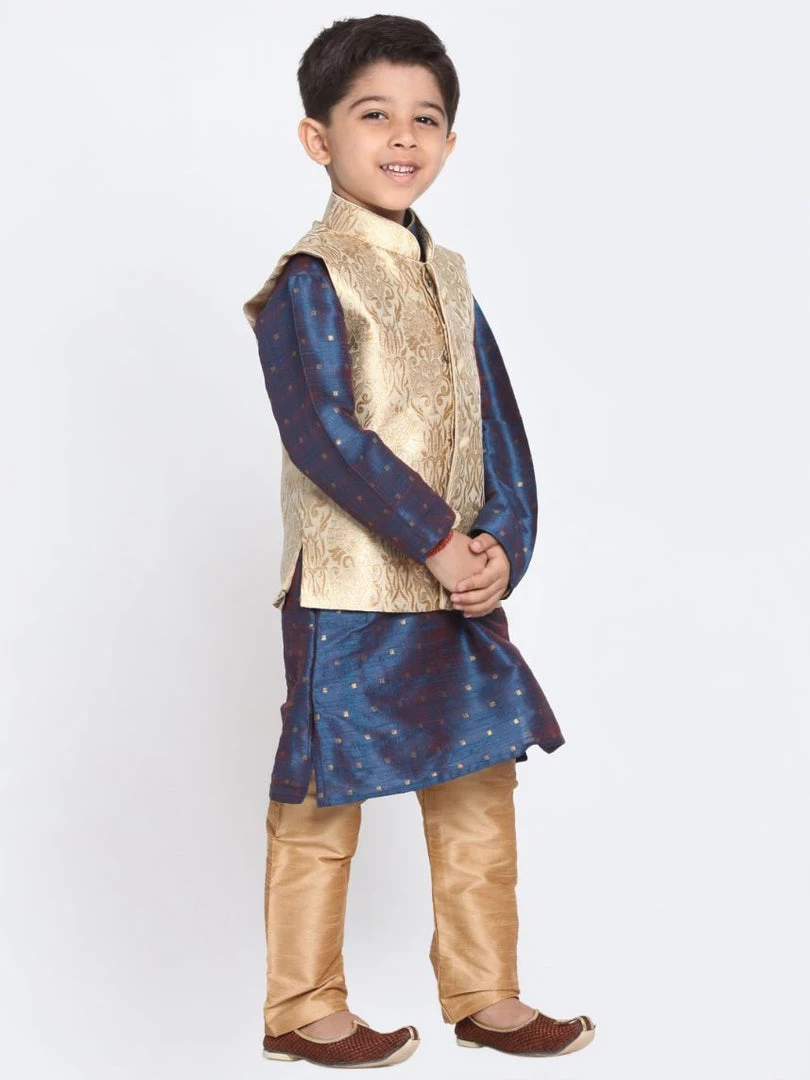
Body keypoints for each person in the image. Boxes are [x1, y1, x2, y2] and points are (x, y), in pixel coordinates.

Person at [242, 14, 596, 1069]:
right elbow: (324, 434)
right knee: (324, 793)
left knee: (480, 780)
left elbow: (498, 427)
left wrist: (500, 550)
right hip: (350, 587)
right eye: (374, 115)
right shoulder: (310, 277)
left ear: (449, 138)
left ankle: (487, 995)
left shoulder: (452, 275)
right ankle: (302, 1008)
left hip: (456, 589)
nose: (404, 136)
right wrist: (437, 539)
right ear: (318, 138)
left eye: (426, 118)